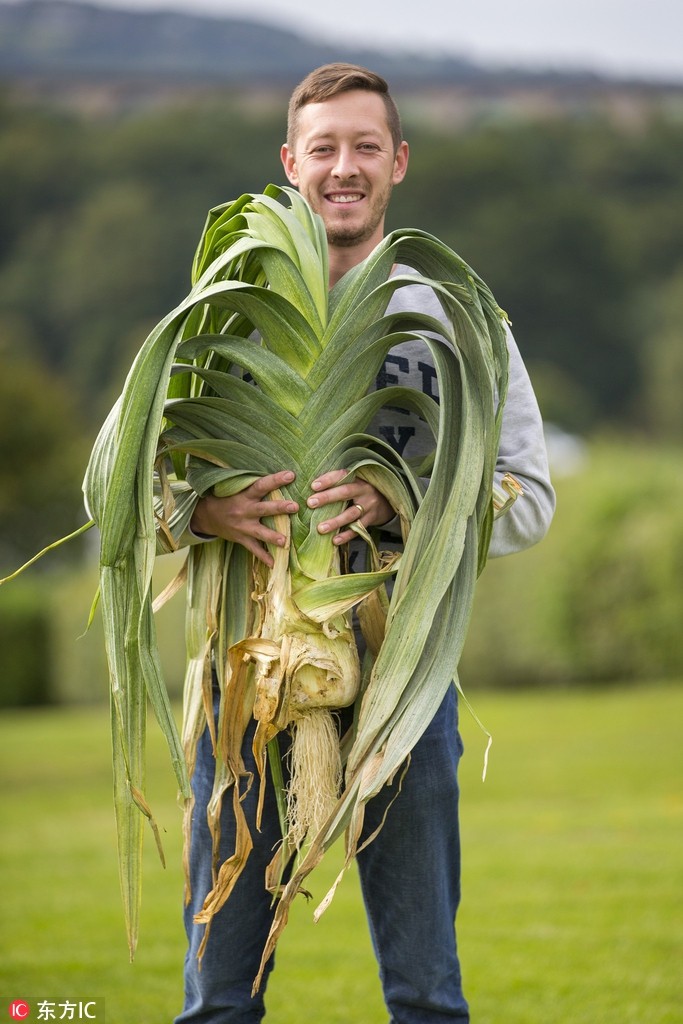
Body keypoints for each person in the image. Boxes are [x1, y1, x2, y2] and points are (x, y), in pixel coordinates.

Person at [173, 63, 556, 1023]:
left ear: (398, 162)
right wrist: (202, 511)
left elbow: (529, 499)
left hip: (404, 686)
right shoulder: (222, 310)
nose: (344, 167)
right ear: (290, 161)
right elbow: (136, 477)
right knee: (218, 1002)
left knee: (426, 996)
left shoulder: (456, 316)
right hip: (248, 680)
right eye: (325, 147)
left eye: (365, 147)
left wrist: (400, 505)